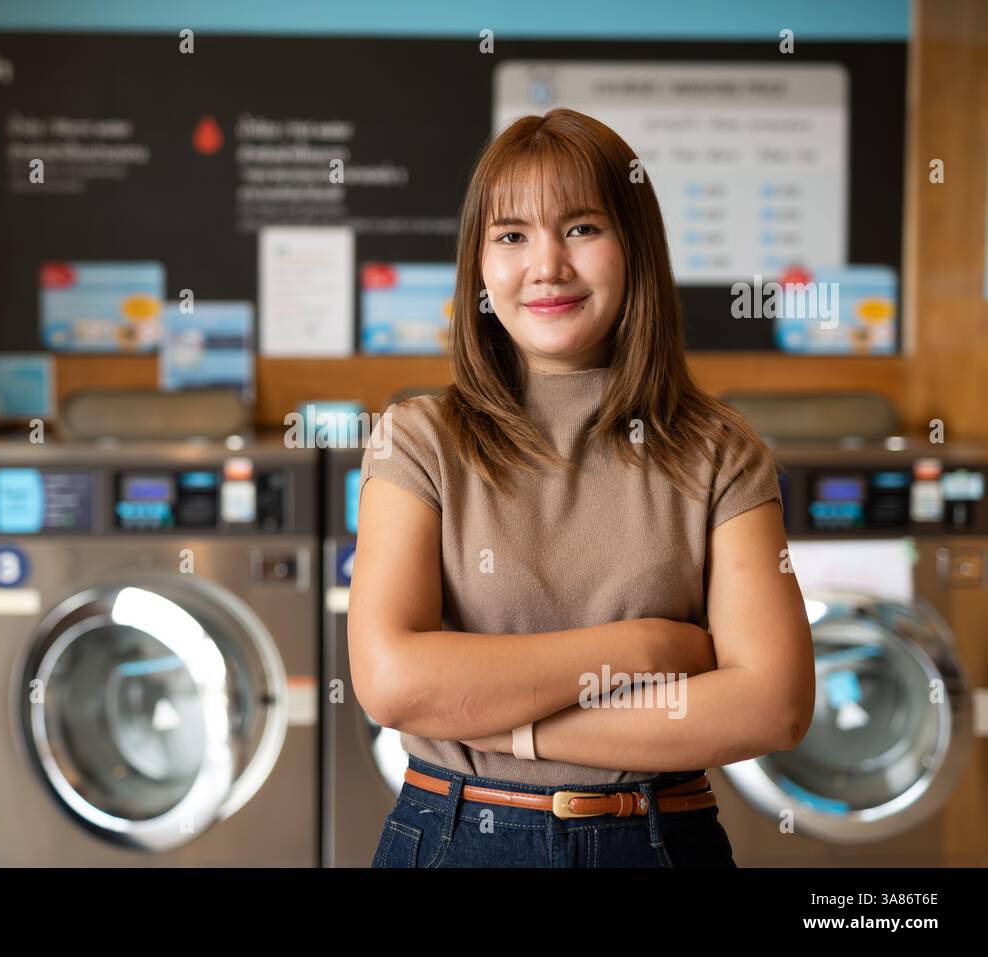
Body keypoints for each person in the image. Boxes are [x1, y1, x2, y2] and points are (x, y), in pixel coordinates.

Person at [348, 108, 816, 868]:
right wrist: (648, 646)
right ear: (478, 265)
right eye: (511, 235)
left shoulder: (718, 451)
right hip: (458, 838)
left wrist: (514, 729)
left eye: (581, 228)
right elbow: (394, 682)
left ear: (635, 247)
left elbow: (773, 704)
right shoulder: (417, 439)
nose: (547, 266)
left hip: (661, 840)